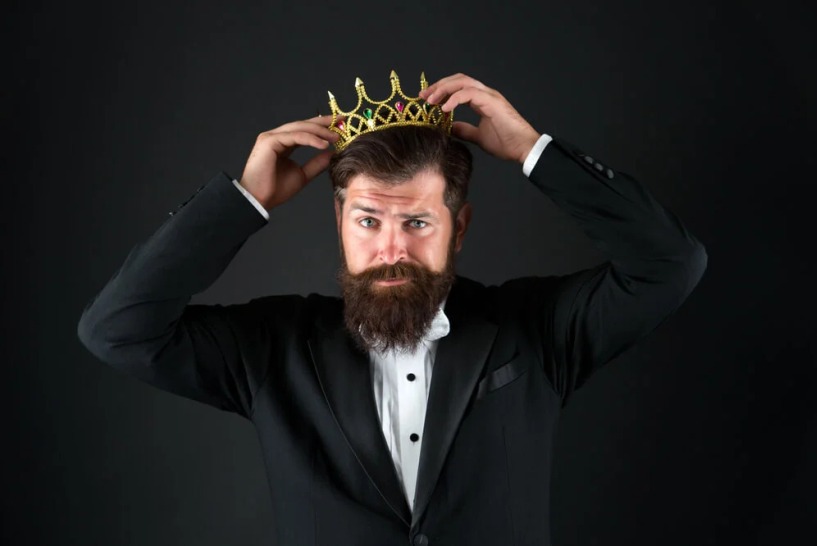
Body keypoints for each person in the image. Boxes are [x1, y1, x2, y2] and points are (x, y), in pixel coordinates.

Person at [77, 72, 708, 545]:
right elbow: (117, 330)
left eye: (417, 222)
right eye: (368, 220)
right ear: (339, 223)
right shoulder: (272, 350)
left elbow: (670, 264)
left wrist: (532, 151)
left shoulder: (535, 331)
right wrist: (244, 200)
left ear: (458, 228)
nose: (391, 249)